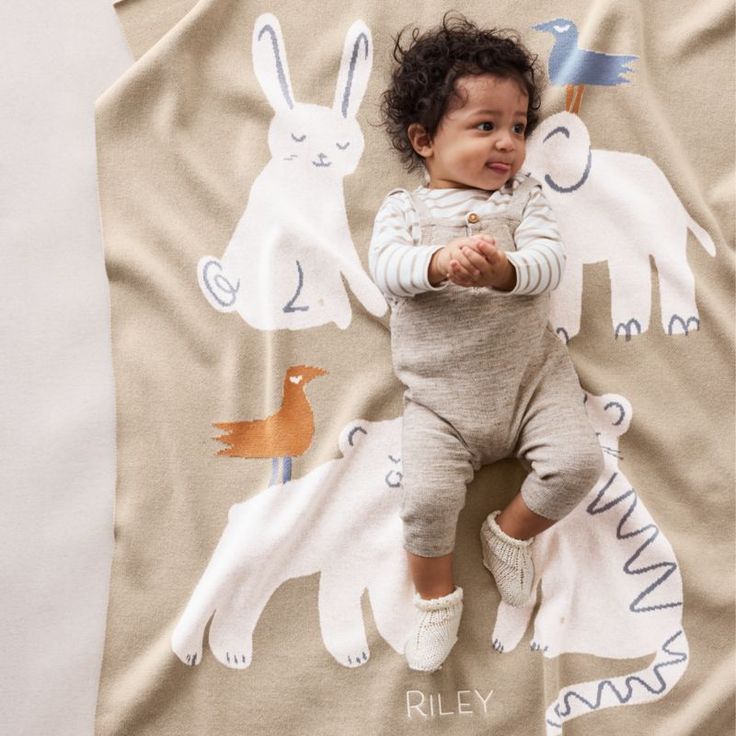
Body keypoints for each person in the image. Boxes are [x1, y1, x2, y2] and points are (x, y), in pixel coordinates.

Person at [369, 12, 603, 672]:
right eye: (485, 126)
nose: (508, 143)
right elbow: (386, 268)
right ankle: (436, 600)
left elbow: (551, 262)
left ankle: (509, 532)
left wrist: (506, 270)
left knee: (579, 464)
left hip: (533, 382)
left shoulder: (525, 200)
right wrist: (437, 264)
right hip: (441, 403)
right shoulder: (405, 212)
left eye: (518, 127)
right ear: (424, 141)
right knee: (425, 502)